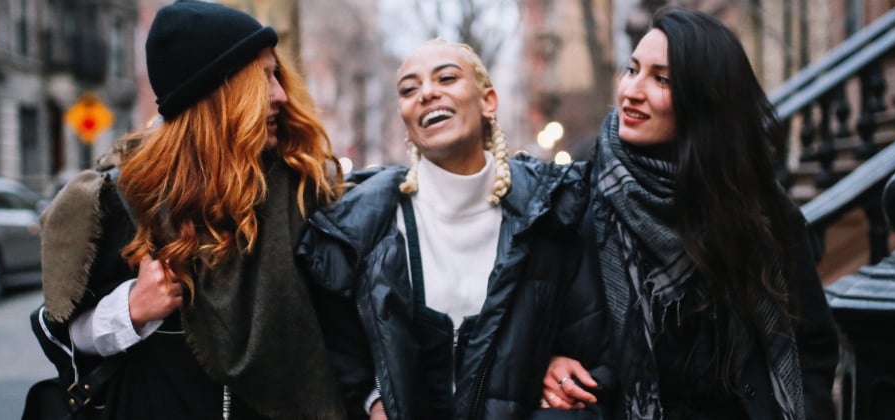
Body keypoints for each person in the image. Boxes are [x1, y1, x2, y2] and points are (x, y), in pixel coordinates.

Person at [31, 1, 346, 418]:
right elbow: (66, 335)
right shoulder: (126, 198)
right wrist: (131, 309)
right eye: (263, 78)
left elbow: (347, 329)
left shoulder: (306, 187)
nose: (281, 95)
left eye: (277, 74)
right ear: (217, 94)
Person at [540, 7, 839, 420]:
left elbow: (812, 350)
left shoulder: (762, 216)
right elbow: (532, 325)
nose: (632, 90)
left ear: (706, 98)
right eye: (632, 70)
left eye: (661, 79)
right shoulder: (578, 203)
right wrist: (548, 364)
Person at [296, 38, 612, 420]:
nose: (427, 93)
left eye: (446, 78)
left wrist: (549, 372)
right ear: (406, 125)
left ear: (488, 102)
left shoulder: (554, 215)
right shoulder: (356, 230)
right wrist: (373, 401)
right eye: (409, 90)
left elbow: (596, 359)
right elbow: (336, 356)